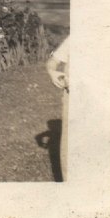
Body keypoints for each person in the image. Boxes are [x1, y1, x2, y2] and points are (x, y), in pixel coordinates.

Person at [46, 35, 69, 180]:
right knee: (69, 142)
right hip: (72, 96)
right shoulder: (75, 38)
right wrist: (52, 72)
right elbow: (53, 61)